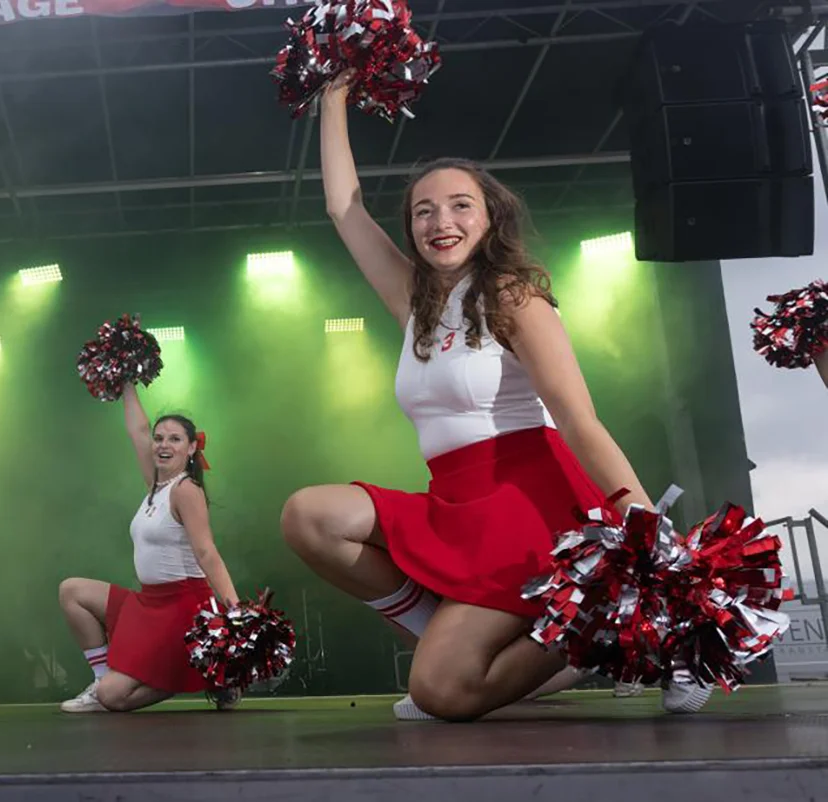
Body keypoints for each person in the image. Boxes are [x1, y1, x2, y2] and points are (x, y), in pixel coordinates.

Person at [279, 74, 711, 722]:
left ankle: (601, 619)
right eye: (423, 210)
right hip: (456, 504)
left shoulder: (514, 297)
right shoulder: (415, 303)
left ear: (489, 219)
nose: (439, 221)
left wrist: (646, 540)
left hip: (528, 504)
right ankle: (487, 641)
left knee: (441, 694)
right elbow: (345, 209)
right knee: (307, 516)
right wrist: (334, 95)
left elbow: (578, 419)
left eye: (459, 206)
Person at [57, 382, 241, 713]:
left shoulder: (186, 490)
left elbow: (207, 553)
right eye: (159, 438)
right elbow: (137, 431)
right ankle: (100, 680)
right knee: (71, 591)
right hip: (150, 602)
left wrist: (236, 612)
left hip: (183, 607)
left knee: (115, 699)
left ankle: (193, 675)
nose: (162, 444)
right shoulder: (155, 486)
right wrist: (127, 381)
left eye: (174, 439)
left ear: (191, 449)